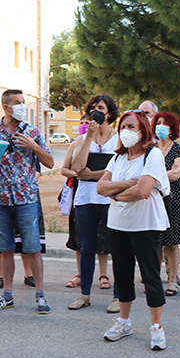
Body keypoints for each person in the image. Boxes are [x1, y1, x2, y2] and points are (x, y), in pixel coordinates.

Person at [97, 110, 170, 350]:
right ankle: (123, 322)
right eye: (123, 127)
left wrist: (115, 193)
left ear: (143, 130)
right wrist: (126, 186)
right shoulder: (117, 158)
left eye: (131, 126)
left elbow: (142, 190)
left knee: (150, 276)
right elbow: (100, 188)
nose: (126, 131)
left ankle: (156, 327)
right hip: (118, 224)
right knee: (122, 274)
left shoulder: (153, 155)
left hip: (145, 224)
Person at [0, 90, 54, 314]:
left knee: (33, 249)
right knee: (5, 248)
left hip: (26, 198)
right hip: (1, 198)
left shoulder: (32, 131)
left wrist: (34, 146)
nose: (21, 106)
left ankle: (40, 296)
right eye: (17, 103)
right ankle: (7, 295)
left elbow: (50, 162)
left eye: (23, 103)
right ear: (6, 107)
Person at [67, 95, 120, 311]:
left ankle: (119, 297)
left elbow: (118, 171)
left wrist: (93, 175)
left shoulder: (118, 139)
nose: (95, 111)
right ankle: (85, 295)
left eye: (100, 108)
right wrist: (88, 137)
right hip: (85, 200)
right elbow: (78, 168)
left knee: (117, 248)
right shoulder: (81, 139)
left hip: (110, 200)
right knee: (87, 247)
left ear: (109, 113)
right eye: (92, 108)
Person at [152, 111, 180, 296]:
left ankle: (173, 281)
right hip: (152, 199)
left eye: (166, 123)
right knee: (155, 242)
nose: (161, 126)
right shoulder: (149, 148)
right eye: (158, 122)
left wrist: (151, 175)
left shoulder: (179, 150)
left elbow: (176, 174)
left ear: (172, 127)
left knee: (172, 243)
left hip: (173, 199)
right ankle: (154, 280)